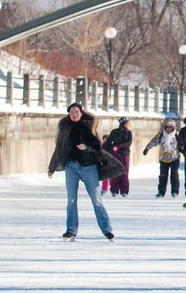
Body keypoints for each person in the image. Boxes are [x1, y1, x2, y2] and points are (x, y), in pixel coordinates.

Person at [48, 103, 114, 242]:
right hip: (71, 166)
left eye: (76, 111)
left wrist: (87, 147)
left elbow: (97, 146)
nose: (74, 114)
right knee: (71, 200)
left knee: (96, 200)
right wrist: (52, 167)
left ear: (81, 113)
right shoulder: (65, 128)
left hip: (89, 167)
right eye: (71, 112)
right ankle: (71, 230)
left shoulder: (89, 126)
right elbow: (59, 148)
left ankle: (107, 230)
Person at [145, 119, 182, 199]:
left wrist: (183, 149)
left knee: (174, 175)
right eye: (167, 127)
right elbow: (153, 141)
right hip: (163, 159)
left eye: (170, 127)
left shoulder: (177, 135)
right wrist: (147, 148)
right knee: (163, 176)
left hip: (174, 158)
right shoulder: (161, 135)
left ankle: (175, 191)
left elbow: (183, 143)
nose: (168, 129)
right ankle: (161, 192)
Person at [102, 118, 133, 197]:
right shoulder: (114, 132)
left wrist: (118, 146)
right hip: (115, 155)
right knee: (115, 172)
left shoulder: (129, 133)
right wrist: (104, 150)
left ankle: (124, 191)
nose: (128, 125)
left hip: (125, 154)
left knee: (124, 172)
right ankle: (114, 190)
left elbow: (128, 143)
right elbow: (108, 142)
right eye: (127, 123)